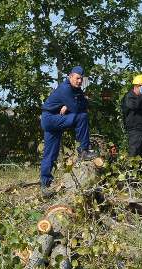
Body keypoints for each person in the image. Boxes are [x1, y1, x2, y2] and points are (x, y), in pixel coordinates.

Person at [40, 65, 97, 197]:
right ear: (70, 76)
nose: (79, 81)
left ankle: (45, 184)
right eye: (77, 78)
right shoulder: (65, 89)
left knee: (50, 154)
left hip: (55, 118)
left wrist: (69, 105)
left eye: (81, 79)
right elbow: (78, 109)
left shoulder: (76, 89)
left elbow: (84, 104)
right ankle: (83, 150)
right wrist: (74, 104)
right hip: (50, 119)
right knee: (82, 117)